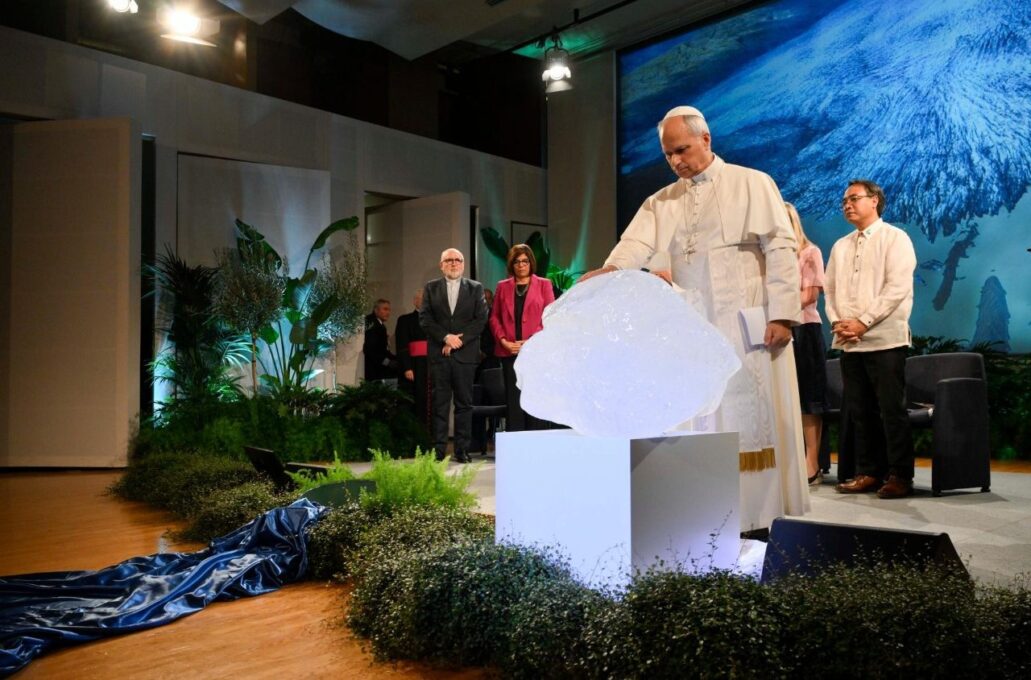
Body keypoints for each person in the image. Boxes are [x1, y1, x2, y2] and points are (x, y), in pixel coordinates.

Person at [580, 105, 808, 532]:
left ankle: (759, 518)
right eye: (668, 155)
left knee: (751, 418)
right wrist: (611, 271)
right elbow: (634, 244)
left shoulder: (753, 183)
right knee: (699, 412)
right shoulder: (661, 201)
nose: (676, 161)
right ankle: (708, 511)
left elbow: (780, 249)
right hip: (694, 325)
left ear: (706, 139)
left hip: (748, 325)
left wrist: (782, 315)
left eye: (682, 150)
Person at [827, 179, 917, 499]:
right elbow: (831, 291)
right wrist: (839, 322)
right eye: (844, 201)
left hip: (885, 339)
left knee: (891, 410)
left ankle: (900, 475)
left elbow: (897, 287)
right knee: (860, 410)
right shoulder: (840, 245)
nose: (847, 205)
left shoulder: (895, 238)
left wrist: (863, 322)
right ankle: (868, 471)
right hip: (850, 341)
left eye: (853, 198)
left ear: (875, 200)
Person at [419, 248, 489, 464]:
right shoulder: (431, 288)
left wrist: (459, 340)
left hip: (465, 355)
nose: (453, 263)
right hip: (440, 355)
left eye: (457, 260)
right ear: (441, 265)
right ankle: (438, 451)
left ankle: (462, 450)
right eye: (448, 260)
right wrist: (446, 337)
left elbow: (481, 319)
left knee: (464, 405)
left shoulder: (475, 288)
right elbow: (425, 319)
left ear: (463, 264)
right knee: (439, 404)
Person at [489, 244, 556, 431]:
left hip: (535, 351)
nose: (521, 265)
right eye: (517, 261)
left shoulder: (544, 284)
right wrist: (503, 341)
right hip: (509, 350)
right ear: (512, 264)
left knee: (535, 396)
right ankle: (516, 444)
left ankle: (538, 443)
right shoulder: (502, 286)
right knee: (514, 398)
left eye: (525, 261)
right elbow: (494, 317)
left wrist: (530, 342)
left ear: (531, 263)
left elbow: (549, 315)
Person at [785, 202, 829, 486]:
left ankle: (812, 462)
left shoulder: (809, 252)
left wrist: (777, 306)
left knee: (808, 398)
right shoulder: (768, 259)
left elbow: (809, 296)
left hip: (804, 329)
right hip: (777, 331)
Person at [395, 288, 430, 433]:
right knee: (414, 401)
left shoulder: (434, 321)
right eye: (421, 299)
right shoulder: (405, 320)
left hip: (430, 366)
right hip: (414, 366)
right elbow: (402, 346)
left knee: (429, 402)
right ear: (415, 301)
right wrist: (407, 367)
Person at [362, 299, 396, 381]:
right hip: (374, 369)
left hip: (378, 366)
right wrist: (387, 362)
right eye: (385, 309)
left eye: (389, 310)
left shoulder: (379, 324)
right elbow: (370, 349)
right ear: (376, 310)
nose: (388, 313)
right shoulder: (372, 323)